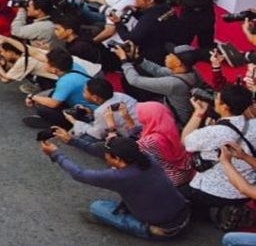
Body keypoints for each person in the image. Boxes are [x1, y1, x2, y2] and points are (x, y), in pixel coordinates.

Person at [40, 136, 190, 239]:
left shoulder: (120, 177)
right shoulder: (147, 159)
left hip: (166, 227)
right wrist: (73, 140)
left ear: (118, 158)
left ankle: (147, 230)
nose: (105, 156)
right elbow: (104, 153)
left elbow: (80, 174)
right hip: (184, 213)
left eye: (108, 155)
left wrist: (56, 154)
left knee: (97, 207)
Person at [181, 85, 256, 225]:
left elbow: (185, 141)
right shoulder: (254, 125)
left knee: (180, 197)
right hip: (248, 189)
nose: (214, 99)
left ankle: (217, 213)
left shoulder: (213, 132)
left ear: (225, 106)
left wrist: (198, 113)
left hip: (215, 192)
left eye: (217, 98)